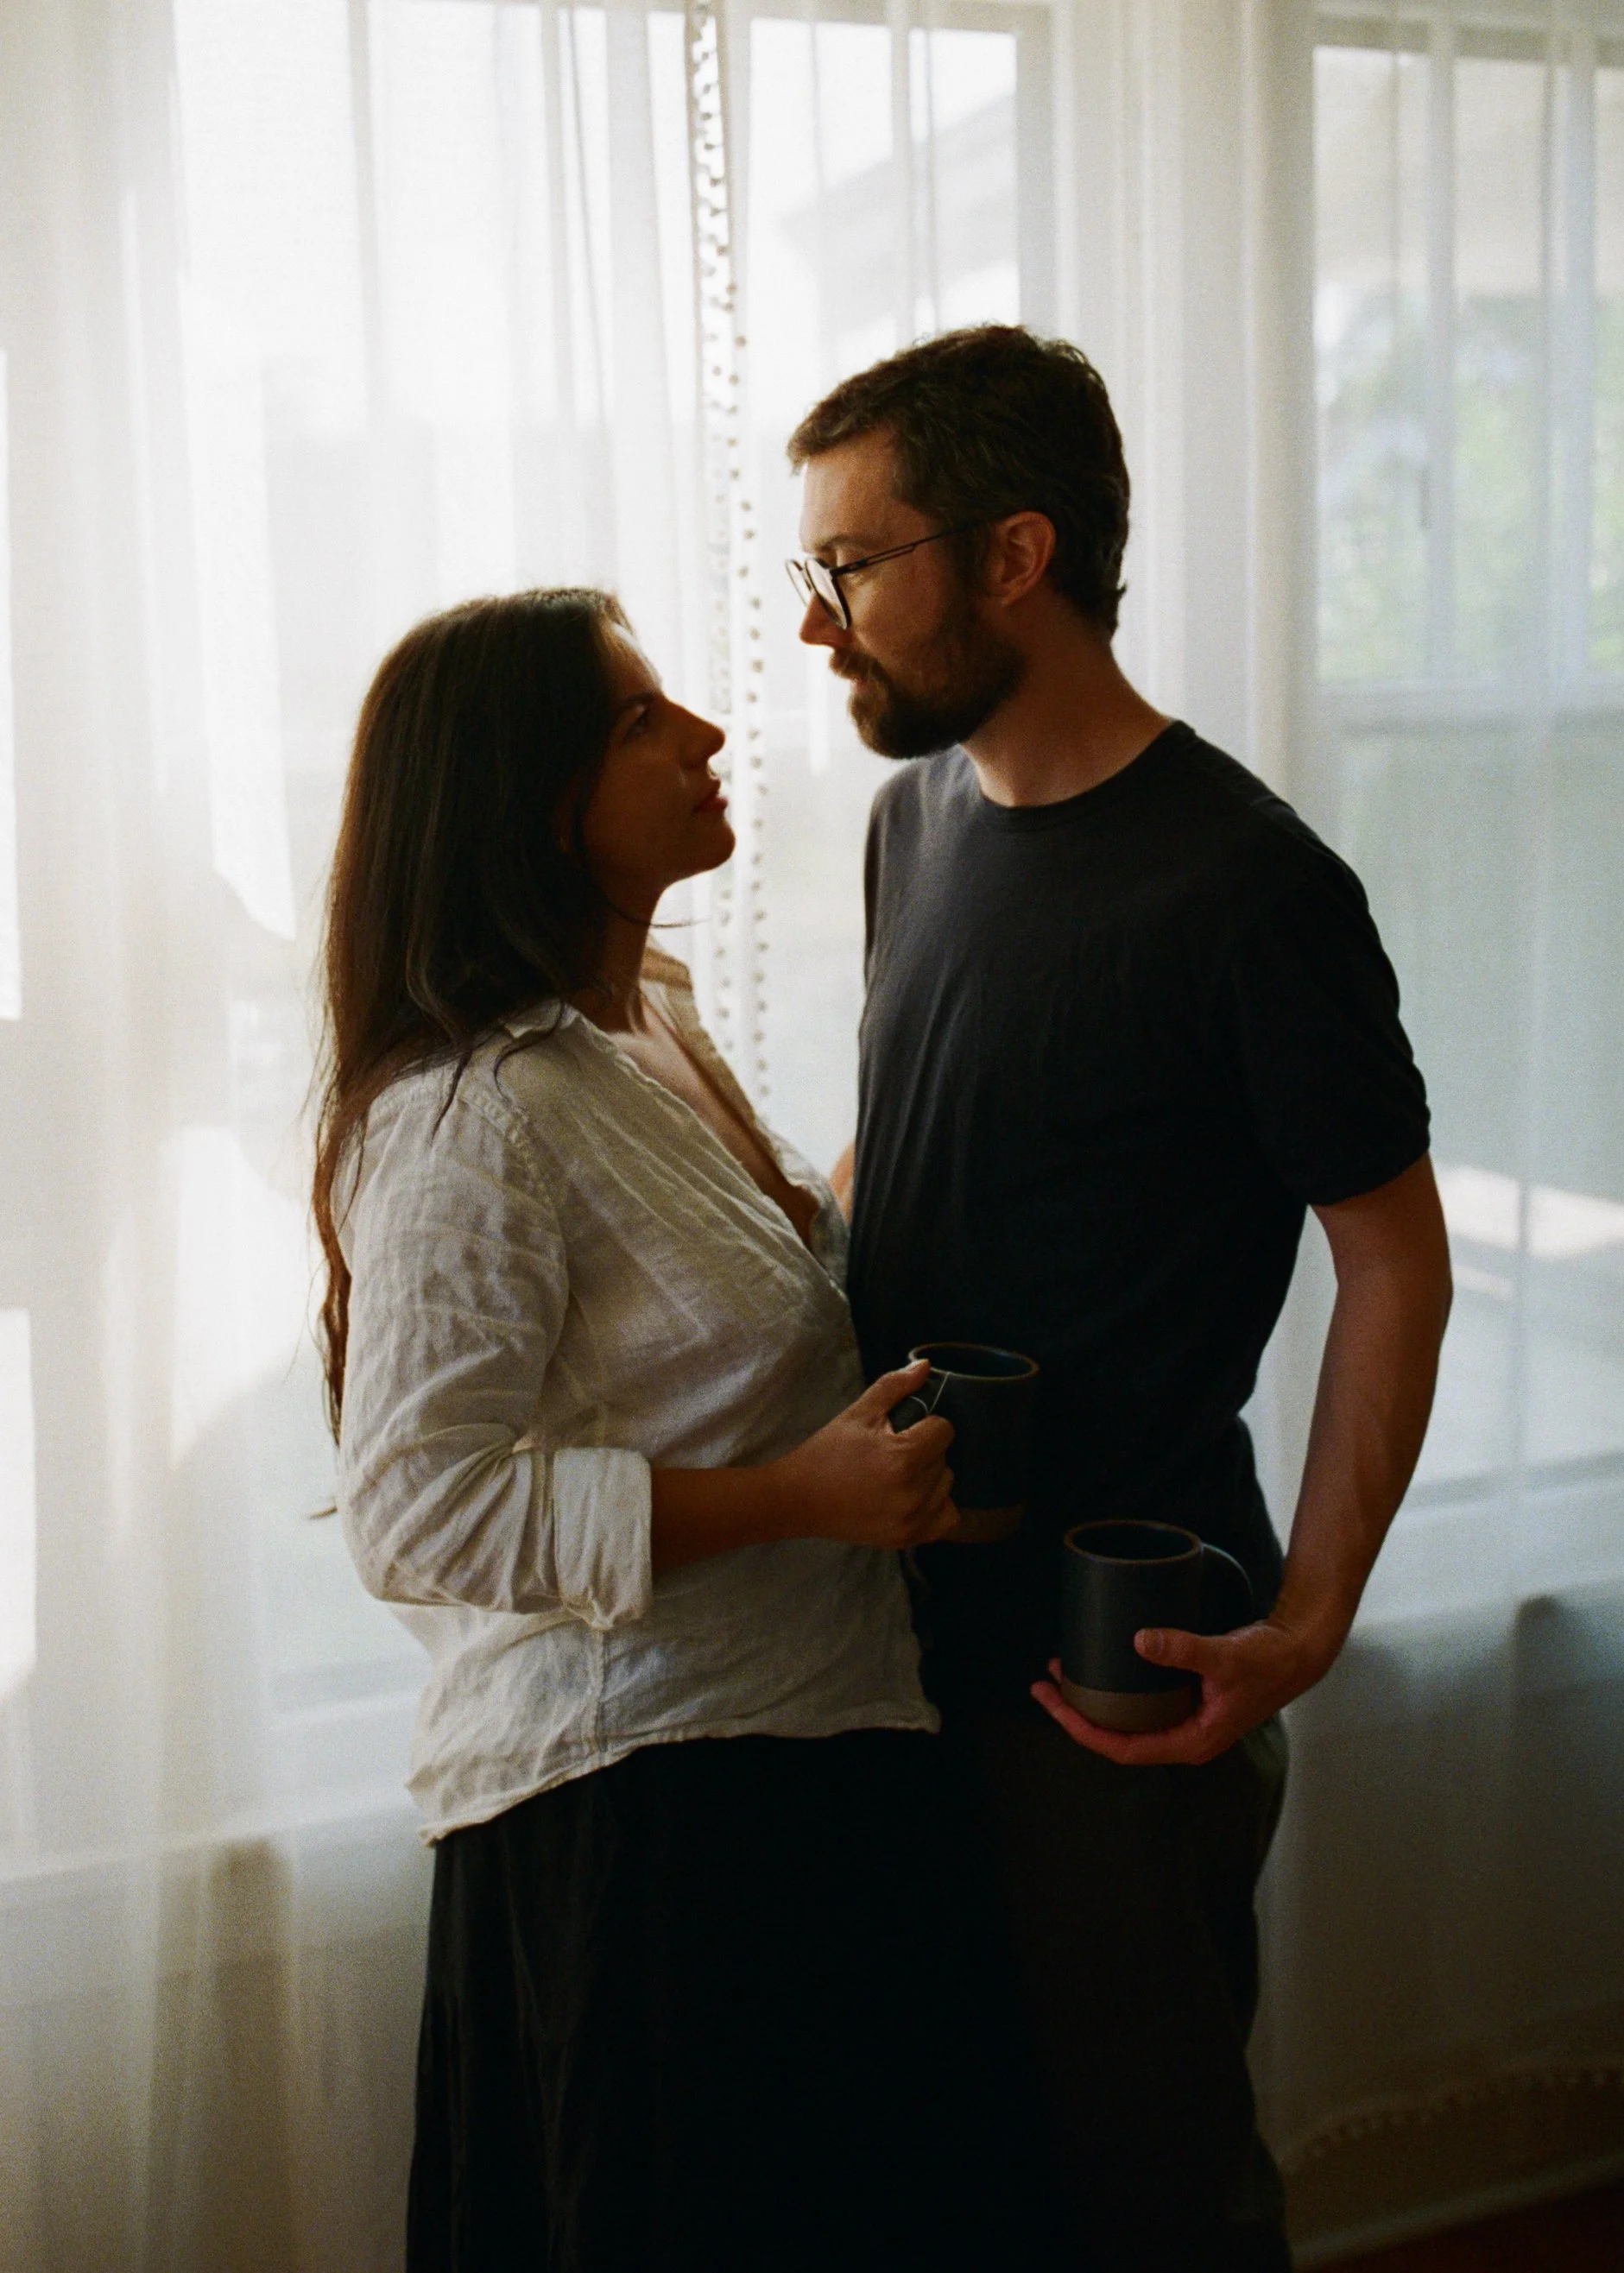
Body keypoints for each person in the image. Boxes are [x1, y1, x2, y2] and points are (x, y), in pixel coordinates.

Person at [786, 326, 1455, 2272]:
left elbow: (1393, 1257)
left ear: (1014, 555)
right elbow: (908, 1144)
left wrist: (1310, 1615)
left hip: (1113, 1673)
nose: (818, 624)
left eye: (852, 565)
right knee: (944, 2178)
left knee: (1145, 2189)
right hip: (882, 1635)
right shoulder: (913, 822)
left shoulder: (1253, 890)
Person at [312, 587, 1037, 2272]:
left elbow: (747, 1305)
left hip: (812, 1738)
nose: (709, 732)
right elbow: (416, 1513)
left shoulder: (647, 1018)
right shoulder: (472, 1112)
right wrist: (798, 1497)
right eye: (644, 718)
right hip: (643, 1818)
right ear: (534, 795)